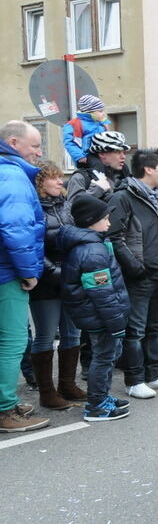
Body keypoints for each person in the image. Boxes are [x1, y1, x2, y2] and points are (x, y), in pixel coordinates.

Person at [108, 148, 158, 399]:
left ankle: (154, 374)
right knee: (136, 331)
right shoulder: (123, 197)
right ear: (148, 169)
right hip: (140, 278)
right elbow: (114, 236)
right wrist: (134, 267)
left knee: (157, 329)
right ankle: (134, 380)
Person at [59, 195, 130, 421]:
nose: (109, 223)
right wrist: (116, 322)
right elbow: (101, 293)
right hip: (100, 316)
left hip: (97, 315)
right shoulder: (92, 251)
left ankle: (102, 397)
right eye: (105, 218)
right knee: (103, 357)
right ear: (92, 220)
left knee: (106, 356)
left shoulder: (94, 244)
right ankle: (97, 405)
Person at [0, 121, 49, 432]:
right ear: (14, 143)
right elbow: (15, 228)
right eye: (34, 146)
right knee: (13, 342)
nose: (39, 152)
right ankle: (5, 410)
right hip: (7, 272)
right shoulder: (12, 174)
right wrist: (29, 272)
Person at [30, 161, 86, 410]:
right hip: (46, 283)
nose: (59, 182)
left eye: (59, 177)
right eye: (53, 178)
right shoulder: (33, 208)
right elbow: (33, 248)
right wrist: (56, 273)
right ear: (40, 182)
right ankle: (47, 392)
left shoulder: (65, 205)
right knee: (45, 336)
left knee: (72, 333)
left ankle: (67, 385)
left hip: (70, 278)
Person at [65, 130, 131, 202]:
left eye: (124, 152)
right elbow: (71, 209)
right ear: (102, 153)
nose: (123, 156)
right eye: (118, 152)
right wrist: (96, 190)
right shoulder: (80, 178)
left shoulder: (124, 177)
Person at [61, 94, 112, 167]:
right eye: (100, 111)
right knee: (97, 166)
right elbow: (69, 142)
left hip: (103, 154)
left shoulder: (102, 123)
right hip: (86, 156)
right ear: (90, 112)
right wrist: (79, 156)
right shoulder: (74, 124)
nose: (103, 114)